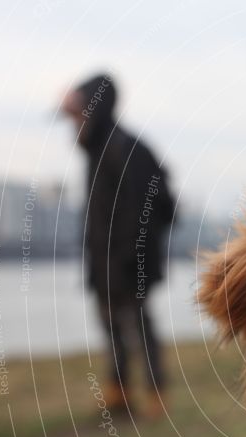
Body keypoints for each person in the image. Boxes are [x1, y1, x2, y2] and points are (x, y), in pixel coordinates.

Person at [60, 73, 176, 418]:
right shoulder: (99, 145)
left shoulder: (124, 147)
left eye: (80, 104)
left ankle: (157, 396)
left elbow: (151, 208)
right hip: (105, 261)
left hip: (127, 263)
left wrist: (129, 258)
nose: (74, 115)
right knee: (112, 328)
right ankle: (119, 396)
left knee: (138, 328)